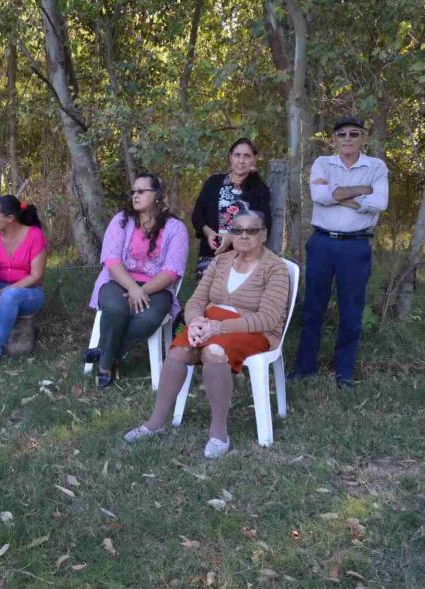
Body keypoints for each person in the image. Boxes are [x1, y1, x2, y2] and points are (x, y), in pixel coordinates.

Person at [123, 210, 289, 459]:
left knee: (213, 352)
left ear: (264, 234)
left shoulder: (275, 268)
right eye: (238, 230)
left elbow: (267, 318)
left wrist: (219, 328)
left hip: (254, 331)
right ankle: (155, 423)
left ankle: (219, 433)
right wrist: (194, 322)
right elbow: (196, 300)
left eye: (252, 230)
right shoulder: (221, 261)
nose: (244, 236)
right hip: (209, 323)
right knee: (178, 350)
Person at [292, 116, 388, 389]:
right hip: (322, 243)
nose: (347, 138)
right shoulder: (323, 163)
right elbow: (319, 196)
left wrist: (336, 193)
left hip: (355, 246)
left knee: (351, 311)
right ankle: (304, 368)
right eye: (342, 134)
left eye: (354, 134)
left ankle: (344, 372)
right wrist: (361, 191)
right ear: (334, 139)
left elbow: (380, 202)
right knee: (313, 307)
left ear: (364, 138)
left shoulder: (376, 167)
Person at [84, 173, 189, 388]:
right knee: (116, 308)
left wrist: (144, 290)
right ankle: (106, 366)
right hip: (117, 281)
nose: (135, 195)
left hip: (157, 288)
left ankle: (104, 355)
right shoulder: (122, 220)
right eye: (133, 191)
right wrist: (133, 288)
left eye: (141, 191)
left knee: (148, 319)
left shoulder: (175, 228)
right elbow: (112, 260)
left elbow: (171, 271)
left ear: (157, 194)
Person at [0, 194, 48, 370]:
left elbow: (36, 276)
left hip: (30, 291)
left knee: (9, 297)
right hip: (0, 285)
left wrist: (4, 292)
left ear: (10, 218)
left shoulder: (35, 235)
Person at [191, 138, 271, 280]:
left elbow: (264, 227)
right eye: (237, 155)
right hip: (211, 255)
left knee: (237, 293)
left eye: (247, 156)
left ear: (254, 159)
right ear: (230, 157)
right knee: (205, 293)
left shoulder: (259, 190)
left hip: (245, 258)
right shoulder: (213, 182)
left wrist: (231, 238)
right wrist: (209, 233)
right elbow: (197, 215)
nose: (241, 161)